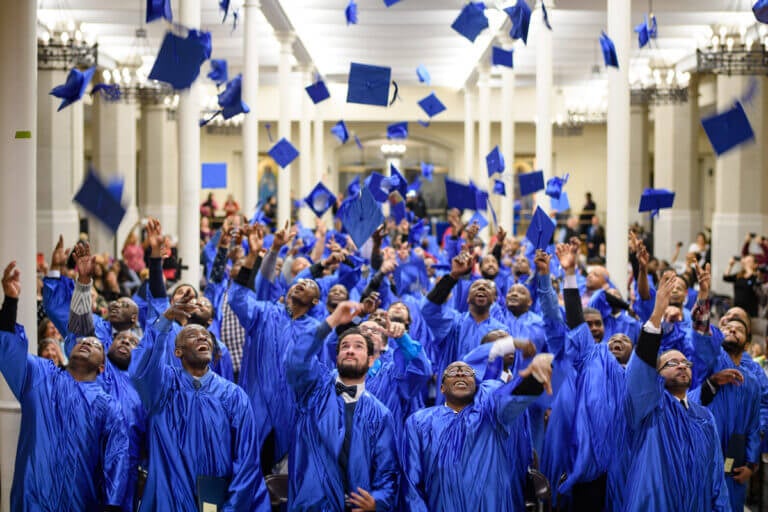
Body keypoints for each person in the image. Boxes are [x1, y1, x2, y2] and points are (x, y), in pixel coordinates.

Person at [0, 261, 130, 511]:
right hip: (33, 497)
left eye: (95, 345)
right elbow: (8, 349)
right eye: (84, 341)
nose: (87, 343)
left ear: (102, 366)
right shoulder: (40, 378)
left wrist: (111, 506)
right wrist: (10, 301)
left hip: (80, 501)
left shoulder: (108, 405)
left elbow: (117, 459)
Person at [131, 291, 269, 511]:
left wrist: (231, 508)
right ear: (178, 351)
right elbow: (141, 368)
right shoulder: (162, 386)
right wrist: (165, 320)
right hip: (169, 499)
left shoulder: (233, 395)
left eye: (206, 336)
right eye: (193, 335)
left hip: (216, 502)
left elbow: (247, 461)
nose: (203, 337)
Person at [623, 270, 729, 510]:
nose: (681, 365)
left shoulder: (703, 416)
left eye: (685, 363)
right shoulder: (651, 409)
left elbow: (716, 475)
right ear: (656, 376)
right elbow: (640, 375)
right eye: (672, 363)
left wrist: (703, 296)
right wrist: (658, 311)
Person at [403, 349, 553, 511]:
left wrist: (534, 379)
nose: (460, 374)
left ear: (476, 384)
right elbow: (412, 483)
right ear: (442, 388)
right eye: (452, 372)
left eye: (468, 372)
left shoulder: (490, 414)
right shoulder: (419, 422)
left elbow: (510, 399)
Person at [286, 301, 399, 510]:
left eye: (358, 347)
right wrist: (332, 321)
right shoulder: (313, 390)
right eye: (344, 346)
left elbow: (387, 470)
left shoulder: (381, 414)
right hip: (310, 505)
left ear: (372, 360)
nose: (350, 351)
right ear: (336, 356)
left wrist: (378, 501)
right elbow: (296, 359)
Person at [690, 265, 762, 512]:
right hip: (704, 456)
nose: (732, 329)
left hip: (734, 467)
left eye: (739, 329)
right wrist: (703, 294)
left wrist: (752, 464)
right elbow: (700, 333)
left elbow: (754, 426)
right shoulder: (712, 360)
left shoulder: (751, 382)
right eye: (728, 327)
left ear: (748, 342)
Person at [723, 254, 760, 318]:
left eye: (749, 261)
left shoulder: (756, 276)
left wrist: (746, 266)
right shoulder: (739, 275)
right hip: (737, 307)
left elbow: (754, 282)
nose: (745, 263)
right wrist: (730, 265)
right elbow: (726, 278)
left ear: (755, 265)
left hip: (750, 310)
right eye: (745, 261)